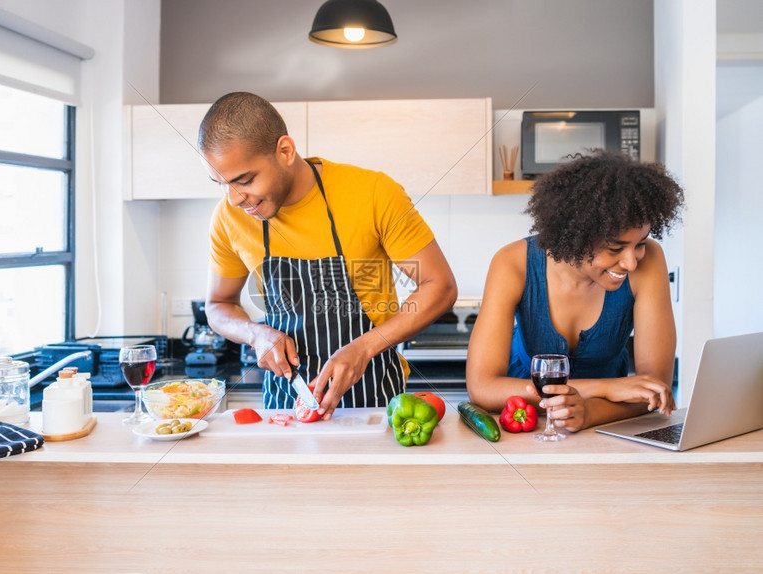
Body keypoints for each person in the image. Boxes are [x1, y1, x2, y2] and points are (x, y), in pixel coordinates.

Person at [199, 92, 457, 418]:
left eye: (244, 180)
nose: (234, 198)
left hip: (374, 400)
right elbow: (218, 305)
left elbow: (440, 285)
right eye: (220, 184)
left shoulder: (373, 192)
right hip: (287, 404)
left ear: (285, 151)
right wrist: (255, 334)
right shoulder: (228, 217)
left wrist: (364, 347)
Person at [466, 150, 685, 432]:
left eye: (640, 243)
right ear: (574, 238)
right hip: (522, 423)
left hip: (609, 424)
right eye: (615, 248)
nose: (631, 262)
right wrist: (607, 388)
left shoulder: (651, 261)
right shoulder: (512, 262)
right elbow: (483, 388)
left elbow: (656, 392)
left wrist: (589, 413)